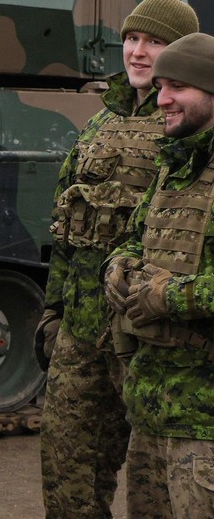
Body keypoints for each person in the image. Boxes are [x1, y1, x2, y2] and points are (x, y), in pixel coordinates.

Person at [37, 0, 198, 518]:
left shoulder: (188, 132)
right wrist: (54, 312)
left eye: (155, 42)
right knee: (68, 480)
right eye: (132, 39)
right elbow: (66, 230)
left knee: (156, 492)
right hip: (82, 332)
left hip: (152, 340)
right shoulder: (95, 129)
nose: (138, 52)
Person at [103, 32, 214, 518]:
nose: (162, 99)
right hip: (149, 413)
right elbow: (135, 237)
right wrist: (120, 268)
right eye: (161, 85)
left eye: (178, 88)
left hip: (204, 426)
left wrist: (171, 298)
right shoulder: (175, 166)